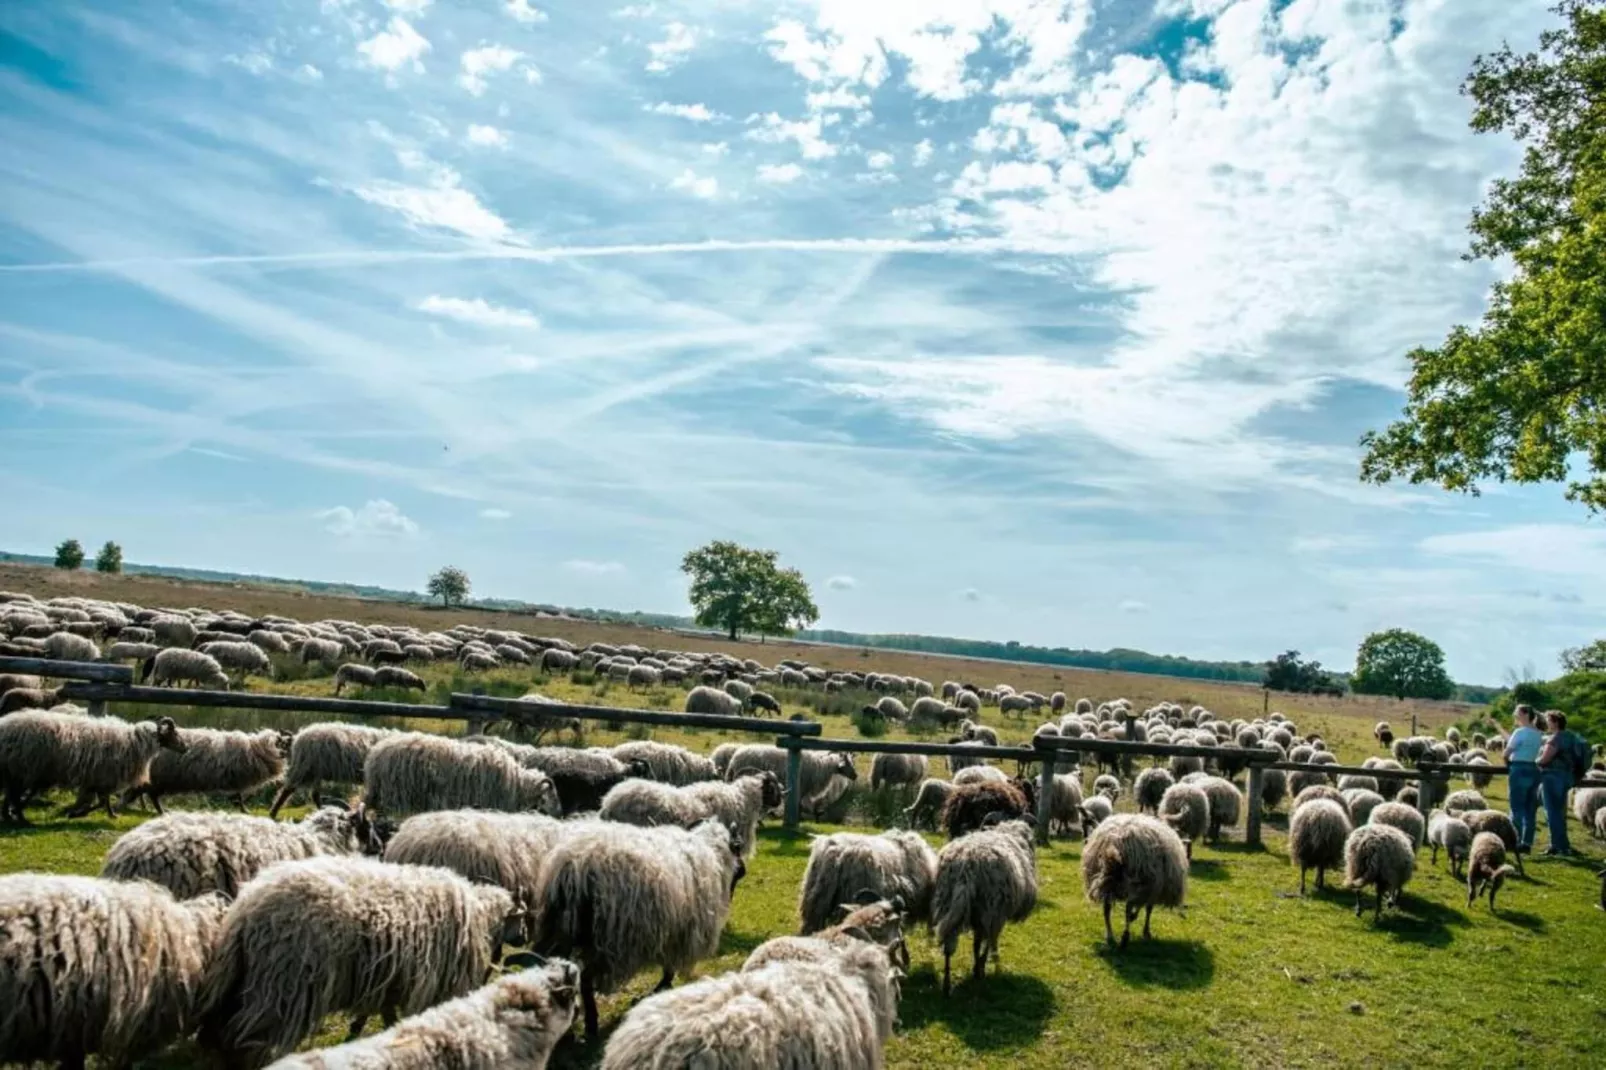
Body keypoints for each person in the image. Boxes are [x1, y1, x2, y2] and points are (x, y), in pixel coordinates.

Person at [1537, 710, 1582, 857]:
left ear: (1555, 722)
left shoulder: (1555, 738)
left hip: (1552, 777)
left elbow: (1545, 759)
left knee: (1552, 812)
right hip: (1566, 777)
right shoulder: (1571, 737)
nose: (1547, 723)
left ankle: (1556, 846)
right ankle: (1564, 845)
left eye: (1548, 720)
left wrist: (1535, 761)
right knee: (1560, 812)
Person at [1503, 705, 1543, 854]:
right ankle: (1526, 843)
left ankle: (1513, 840)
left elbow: (1507, 752)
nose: (1515, 716)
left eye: (1517, 713)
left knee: (1516, 806)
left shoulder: (1520, 732)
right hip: (1533, 769)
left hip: (1519, 768)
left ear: (1526, 714)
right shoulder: (1538, 733)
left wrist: (1509, 765)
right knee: (1530, 808)